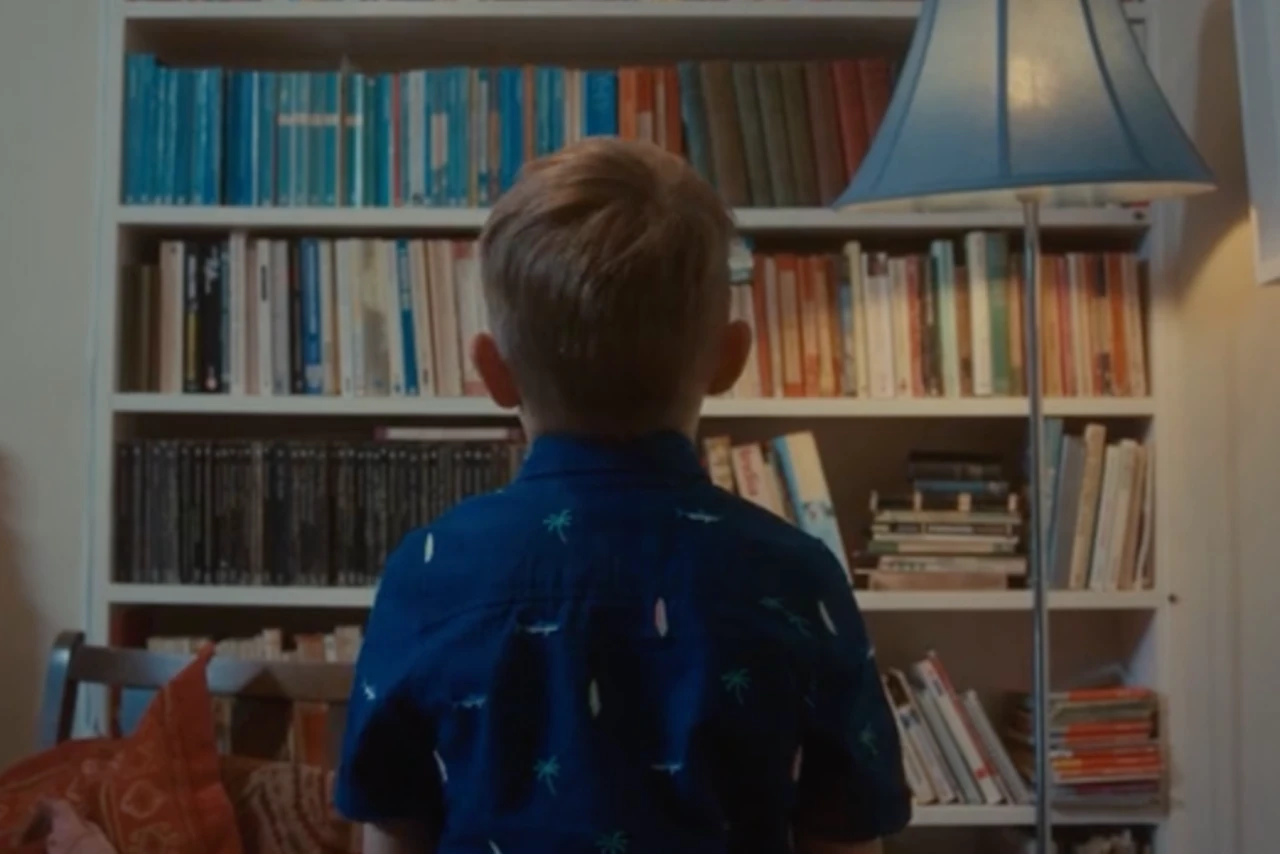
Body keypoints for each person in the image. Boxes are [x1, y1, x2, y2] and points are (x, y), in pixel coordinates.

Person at [335, 138, 912, 854]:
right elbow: (845, 833)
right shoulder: (797, 576)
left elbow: (392, 830)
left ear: (493, 372)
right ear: (731, 358)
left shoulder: (427, 573)